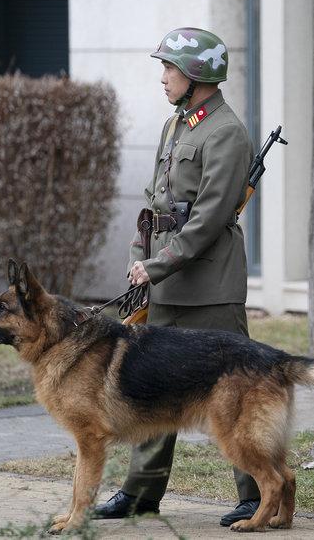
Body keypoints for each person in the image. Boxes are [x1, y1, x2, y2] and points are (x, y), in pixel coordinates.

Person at [93, 27, 261, 526]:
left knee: (233, 394)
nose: (162, 77)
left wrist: (157, 264)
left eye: (169, 68)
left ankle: (254, 494)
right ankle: (141, 493)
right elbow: (154, 202)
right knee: (148, 390)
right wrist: (137, 255)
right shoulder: (179, 125)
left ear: (197, 75)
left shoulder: (226, 132)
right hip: (164, 286)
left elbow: (209, 219)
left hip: (210, 290)